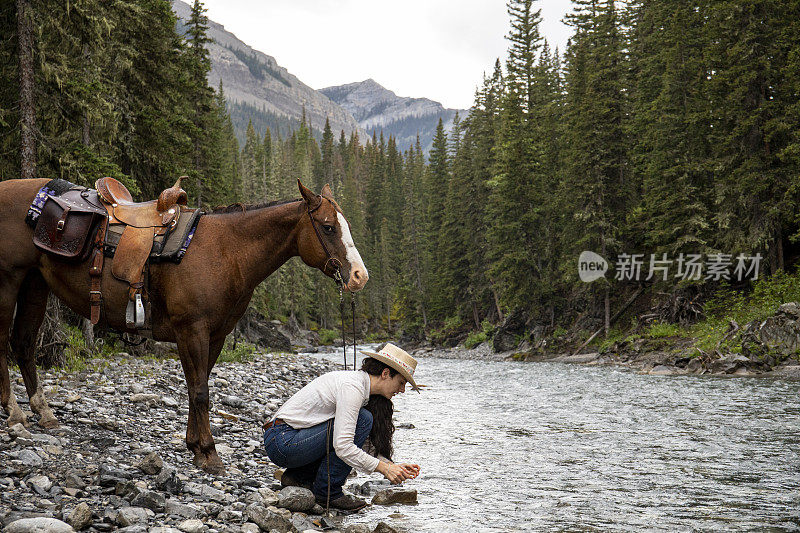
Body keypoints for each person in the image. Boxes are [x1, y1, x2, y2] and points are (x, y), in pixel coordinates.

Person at [262, 343, 421, 511]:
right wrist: (384, 469)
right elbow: (343, 446)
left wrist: (391, 465)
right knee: (364, 419)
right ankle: (327, 493)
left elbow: (359, 440)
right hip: (283, 443)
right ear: (386, 373)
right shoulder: (352, 387)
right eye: (401, 382)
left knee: (360, 422)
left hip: (287, 440)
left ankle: (299, 476)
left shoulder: (359, 386)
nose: (402, 390)